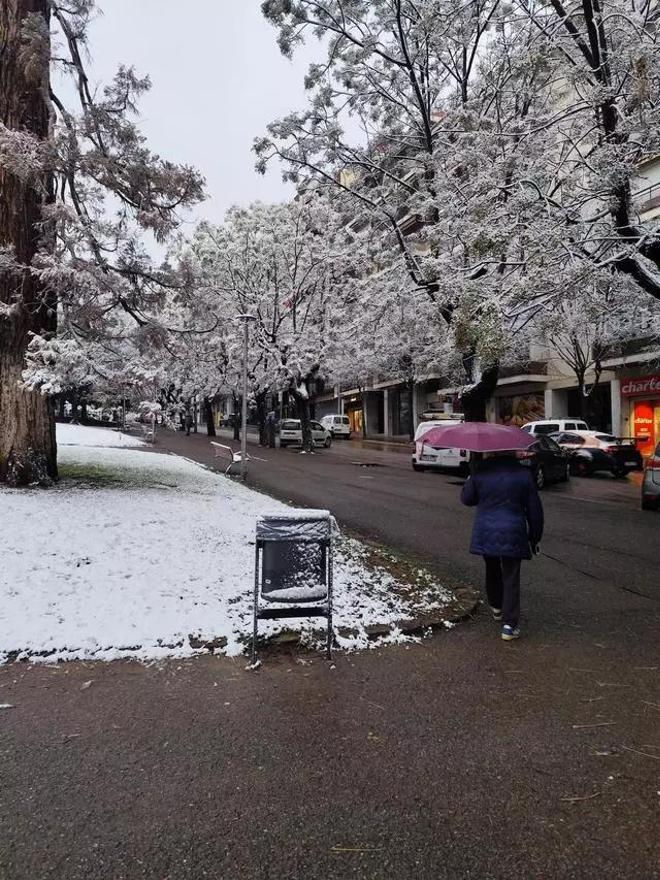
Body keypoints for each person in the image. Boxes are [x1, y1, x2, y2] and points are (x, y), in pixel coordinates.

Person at [461, 451, 544, 641]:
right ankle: (509, 625)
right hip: (513, 531)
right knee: (511, 577)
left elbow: (467, 499)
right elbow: (535, 510)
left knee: (492, 567)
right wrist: (534, 538)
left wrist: (471, 477)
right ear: (513, 453)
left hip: (486, 530)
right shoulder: (524, 475)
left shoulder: (480, 472)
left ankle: (496, 606)